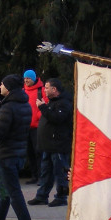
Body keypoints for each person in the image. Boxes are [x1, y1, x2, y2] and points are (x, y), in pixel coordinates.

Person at [0, 74, 34, 220]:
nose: (0, 86)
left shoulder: (8, 107)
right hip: (18, 153)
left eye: (2, 84)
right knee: (7, 192)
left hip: (7, 154)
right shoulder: (24, 104)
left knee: (13, 192)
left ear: (9, 87)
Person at [28, 77, 73, 208]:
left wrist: (43, 108)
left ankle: (61, 196)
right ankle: (42, 196)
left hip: (58, 145)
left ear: (54, 89)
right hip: (48, 145)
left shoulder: (64, 103)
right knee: (45, 172)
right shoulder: (52, 102)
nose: (44, 90)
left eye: (46, 88)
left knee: (60, 172)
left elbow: (57, 118)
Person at [22, 69, 44, 183]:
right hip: (26, 127)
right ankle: (34, 176)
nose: (26, 80)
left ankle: (41, 176)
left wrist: (38, 116)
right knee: (29, 152)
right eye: (25, 78)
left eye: (28, 78)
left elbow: (46, 105)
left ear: (34, 78)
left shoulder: (41, 90)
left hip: (37, 127)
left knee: (38, 152)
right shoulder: (22, 91)